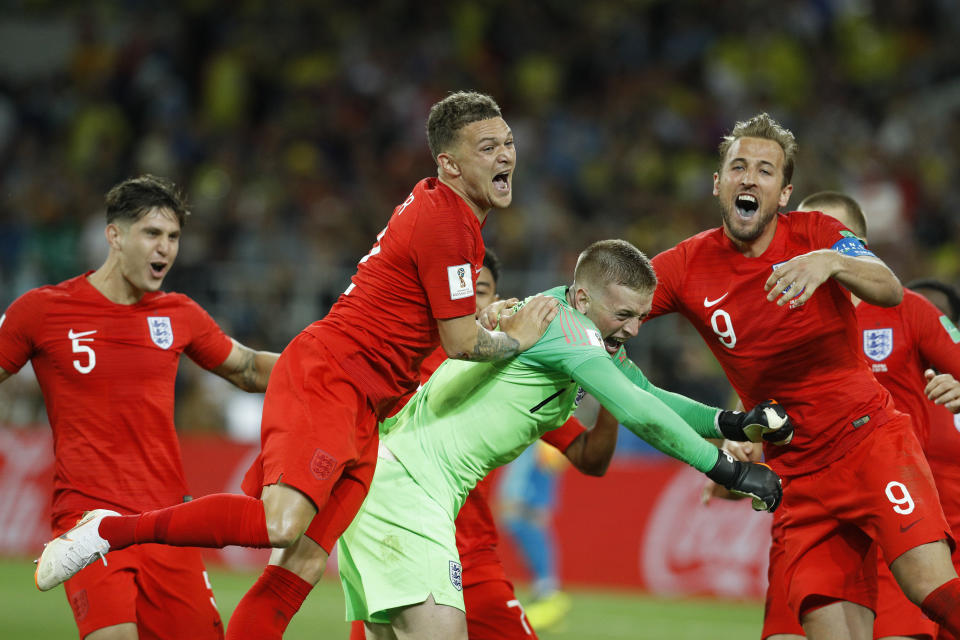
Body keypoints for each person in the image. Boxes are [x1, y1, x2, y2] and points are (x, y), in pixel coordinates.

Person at [34, 91, 559, 640]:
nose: (505, 156)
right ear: (448, 163)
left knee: (302, 562)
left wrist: (490, 323)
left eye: (509, 143)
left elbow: (440, 324)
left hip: (365, 402)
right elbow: (459, 341)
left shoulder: (442, 211)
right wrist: (516, 338)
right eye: (487, 147)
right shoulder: (449, 221)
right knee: (280, 525)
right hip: (333, 376)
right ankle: (110, 531)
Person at [338, 239, 789, 640]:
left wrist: (733, 422)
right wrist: (731, 471)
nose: (633, 329)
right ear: (582, 296)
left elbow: (648, 394)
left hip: (391, 487)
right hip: (409, 495)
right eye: (623, 314)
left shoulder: (576, 327)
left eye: (642, 317)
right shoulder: (565, 330)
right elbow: (638, 413)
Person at [646, 112, 960, 640]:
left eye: (765, 170)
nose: (750, 177)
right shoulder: (684, 266)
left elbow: (888, 286)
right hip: (797, 474)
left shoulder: (817, 232)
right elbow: (614, 301)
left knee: (931, 589)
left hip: (869, 443)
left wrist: (830, 263)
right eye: (739, 166)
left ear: (784, 192)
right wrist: (545, 308)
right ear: (718, 183)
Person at [0, 174, 280, 640]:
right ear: (114, 235)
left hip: (167, 524)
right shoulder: (43, 311)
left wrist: (327, 364)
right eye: (152, 234)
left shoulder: (178, 313)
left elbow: (248, 368)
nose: (165, 249)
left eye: (173, 237)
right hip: (91, 524)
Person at [347, 248, 619, 640]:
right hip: (390, 548)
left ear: (496, 300)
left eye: (481, 290)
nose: (471, 299)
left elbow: (589, 457)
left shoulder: (514, 370)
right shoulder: (394, 359)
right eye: (460, 289)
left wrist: (615, 394)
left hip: (468, 559)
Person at [755, 191, 960, 640]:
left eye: (832, 237)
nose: (815, 246)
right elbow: (758, 409)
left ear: (859, 248)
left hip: (891, 507)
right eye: (805, 235)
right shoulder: (776, 315)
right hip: (811, 506)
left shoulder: (907, 309)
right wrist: (739, 445)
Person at [497, 438, 571, 630]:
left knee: (532, 536)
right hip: (528, 499)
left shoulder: (539, 439)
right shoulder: (538, 439)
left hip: (527, 501)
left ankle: (547, 590)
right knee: (530, 537)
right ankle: (545, 589)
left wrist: (513, 496)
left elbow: (532, 467)